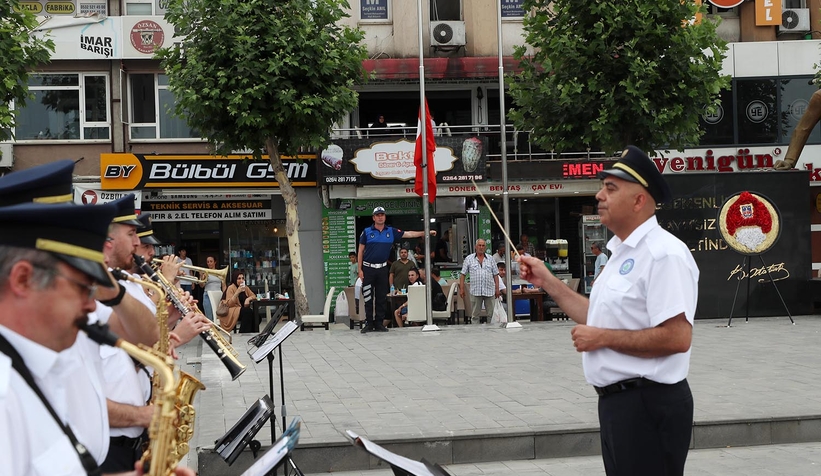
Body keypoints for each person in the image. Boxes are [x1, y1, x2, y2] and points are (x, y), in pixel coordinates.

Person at [517, 145, 699, 476]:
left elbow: (677, 336)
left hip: (648, 402)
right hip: (620, 405)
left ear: (639, 200)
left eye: (610, 188)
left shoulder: (664, 255)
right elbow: (597, 315)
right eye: (602, 186)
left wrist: (602, 338)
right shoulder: (620, 254)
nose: (599, 195)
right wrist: (547, 280)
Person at [0, 201, 196, 476]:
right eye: (84, 287)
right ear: (22, 279)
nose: (93, 305)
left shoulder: (34, 359)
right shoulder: (6, 392)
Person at [358, 206, 435, 334]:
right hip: (368, 268)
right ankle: (368, 323)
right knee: (368, 297)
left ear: (385, 217)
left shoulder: (391, 231)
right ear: (373, 217)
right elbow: (360, 250)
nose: (380, 217)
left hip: (382, 268)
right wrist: (360, 269)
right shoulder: (366, 232)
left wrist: (425, 232)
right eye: (377, 215)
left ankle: (379, 323)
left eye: (382, 214)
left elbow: (409, 234)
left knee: (382, 297)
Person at [459, 239, 499, 324]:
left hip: (489, 290)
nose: (481, 247)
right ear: (475, 247)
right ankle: (475, 333)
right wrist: (461, 289)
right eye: (479, 245)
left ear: (485, 247)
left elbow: (496, 275)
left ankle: (491, 333)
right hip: (475, 291)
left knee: (491, 314)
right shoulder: (469, 259)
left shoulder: (491, 259)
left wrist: (497, 289)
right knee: (475, 315)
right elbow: (463, 274)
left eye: (483, 245)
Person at [199, 255, 226, 321]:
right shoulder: (206, 273)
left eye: (211, 261)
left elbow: (224, 286)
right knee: (209, 316)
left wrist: (225, 297)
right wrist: (201, 276)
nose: (209, 263)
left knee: (218, 316)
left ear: (215, 262)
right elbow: (202, 285)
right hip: (208, 295)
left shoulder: (220, 273)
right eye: (208, 262)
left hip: (218, 295)